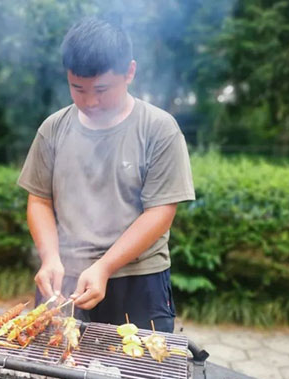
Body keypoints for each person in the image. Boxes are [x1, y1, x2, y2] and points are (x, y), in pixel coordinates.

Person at [18, 17, 195, 333]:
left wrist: (104, 267)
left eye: (101, 89)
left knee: (140, 376)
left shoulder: (158, 129)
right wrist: (49, 258)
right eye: (78, 88)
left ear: (129, 72)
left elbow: (161, 212)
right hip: (65, 279)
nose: (90, 101)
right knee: (54, 376)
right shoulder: (53, 129)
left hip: (138, 279)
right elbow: (39, 200)